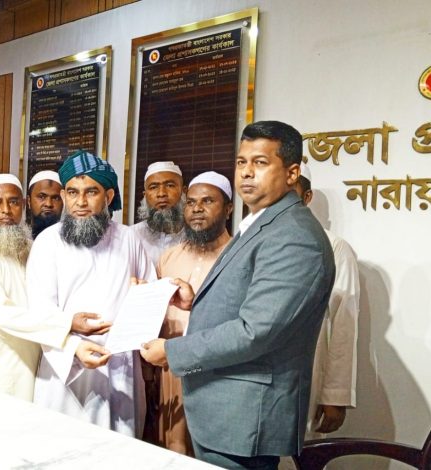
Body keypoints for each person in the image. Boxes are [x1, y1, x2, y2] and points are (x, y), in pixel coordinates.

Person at [141, 121, 336, 469]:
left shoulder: (294, 237)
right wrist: (193, 301)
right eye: (241, 162)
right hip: (227, 411)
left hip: (244, 417)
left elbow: (256, 331)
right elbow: (249, 299)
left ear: (292, 173)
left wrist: (172, 351)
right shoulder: (264, 223)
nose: (246, 172)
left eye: (260, 162)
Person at [27, 150, 156, 437]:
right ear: (64, 196)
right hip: (65, 367)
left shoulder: (129, 239)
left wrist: (143, 297)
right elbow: (40, 312)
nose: (81, 202)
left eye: (91, 192)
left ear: (108, 197)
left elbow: (149, 301)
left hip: (120, 367)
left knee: (120, 449)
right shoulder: (48, 243)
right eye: (72, 192)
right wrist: (74, 348)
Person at [0, 174, 73, 401]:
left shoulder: (34, 249)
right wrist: (65, 325)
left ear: (23, 204)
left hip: (39, 360)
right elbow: (0, 312)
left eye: (13, 202)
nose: (6, 210)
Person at [156, 171, 234, 456]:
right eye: (190, 202)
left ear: (228, 209)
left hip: (216, 376)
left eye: (208, 201)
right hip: (170, 373)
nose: (197, 209)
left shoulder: (237, 256)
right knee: (170, 451)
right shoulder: (169, 257)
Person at [296, 162, 359, 436]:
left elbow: (345, 322)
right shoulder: (254, 241)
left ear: (306, 197)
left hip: (306, 373)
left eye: (290, 192)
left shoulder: (334, 248)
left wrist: (335, 395)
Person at [131, 161, 185, 267]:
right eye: (153, 187)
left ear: (183, 191)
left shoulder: (196, 236)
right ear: (145, 195)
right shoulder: (131, 236)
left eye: (170, 185)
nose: (161, 193)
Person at [26, 170, 63, 238]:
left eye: (56, 198)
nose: (48, 204)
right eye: (42, 197)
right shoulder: (21, 239)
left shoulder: (70, 241)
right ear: (29, 201)